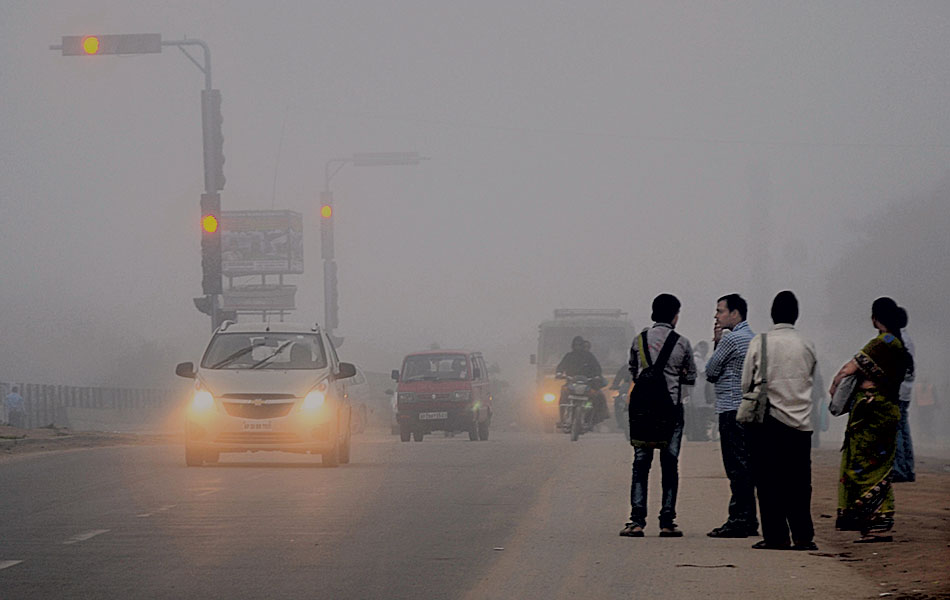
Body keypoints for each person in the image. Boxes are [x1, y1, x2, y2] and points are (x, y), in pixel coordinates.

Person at [829, 297, 912, 543]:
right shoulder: (897, 343)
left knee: (864, 464)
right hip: (886, 410)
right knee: (878, 464)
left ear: (876, 318)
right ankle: (874, 518)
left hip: (872, 411)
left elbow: (849, 369)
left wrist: (835, 388)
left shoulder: (883, 343)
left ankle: (876, 518)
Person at [742, 291, 818, 551]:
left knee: (768, 480)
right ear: (796, 316)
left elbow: (746, 383)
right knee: (799, 482)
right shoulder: (807, 344)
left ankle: (776, 536)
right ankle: (803, 536)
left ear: (772, 314)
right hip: (801, 423)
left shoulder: (760, 342)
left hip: (768, 421)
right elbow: (811, 377)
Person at [620, 294, 697, 538]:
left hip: (643, 412)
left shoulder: (639, 340)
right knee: (670, 465)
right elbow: (692, 377)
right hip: (671, 412)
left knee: (641, 464)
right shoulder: (682, 343)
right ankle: (666, 522)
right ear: (675, 315)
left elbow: (633, 371)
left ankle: (636, 521)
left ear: (654, 313)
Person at [704, 293, 758, 538]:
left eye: (720, 311)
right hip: (749, 408)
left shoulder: (731, 339)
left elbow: (711, 371)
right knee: (748, 464)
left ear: (735, 313)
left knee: (735, 467)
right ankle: (749, 517)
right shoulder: (754, 339)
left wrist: (716, 341)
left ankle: (739, 519)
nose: (716, 316)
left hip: (730, 407)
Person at [556, 336, 606, 423]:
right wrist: (559, 373)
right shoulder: (569, 356)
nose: (577, 347)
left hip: (587, 383)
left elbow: (597, 367)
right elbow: (561, 366)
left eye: (579, 345)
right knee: (563, 393)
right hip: (571, 383)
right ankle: (562, 418)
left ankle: (592, 418)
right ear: (573, 346)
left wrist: (597, 376)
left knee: (594, 397)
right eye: (576, 345)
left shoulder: (589, 356)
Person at [893, 307, 916, 482]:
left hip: (897, 391)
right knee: (904, 429)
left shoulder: (896, 339)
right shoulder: (908, 339)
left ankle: (899, 468)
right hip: (906, 391)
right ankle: (908, 467)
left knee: (897, 430)